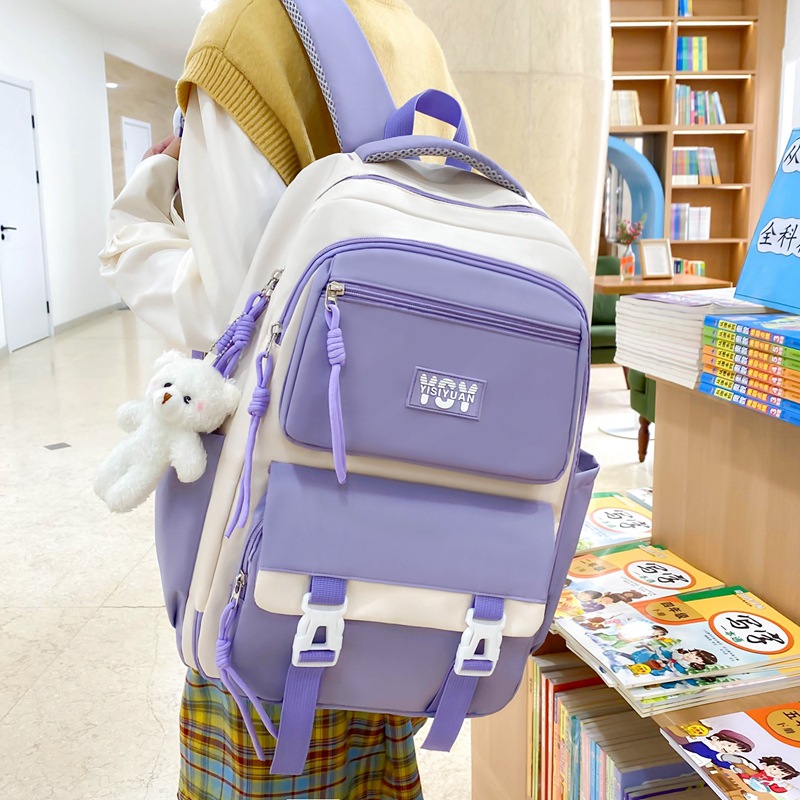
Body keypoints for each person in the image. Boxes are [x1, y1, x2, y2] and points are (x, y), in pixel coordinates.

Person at [99, 1, 471, 797]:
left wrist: (148, 199)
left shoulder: (246, 33)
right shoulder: (415, 41)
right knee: (370, 715)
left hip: (277, 510)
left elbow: (239, 313)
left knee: (269, 716)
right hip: (400, 486)